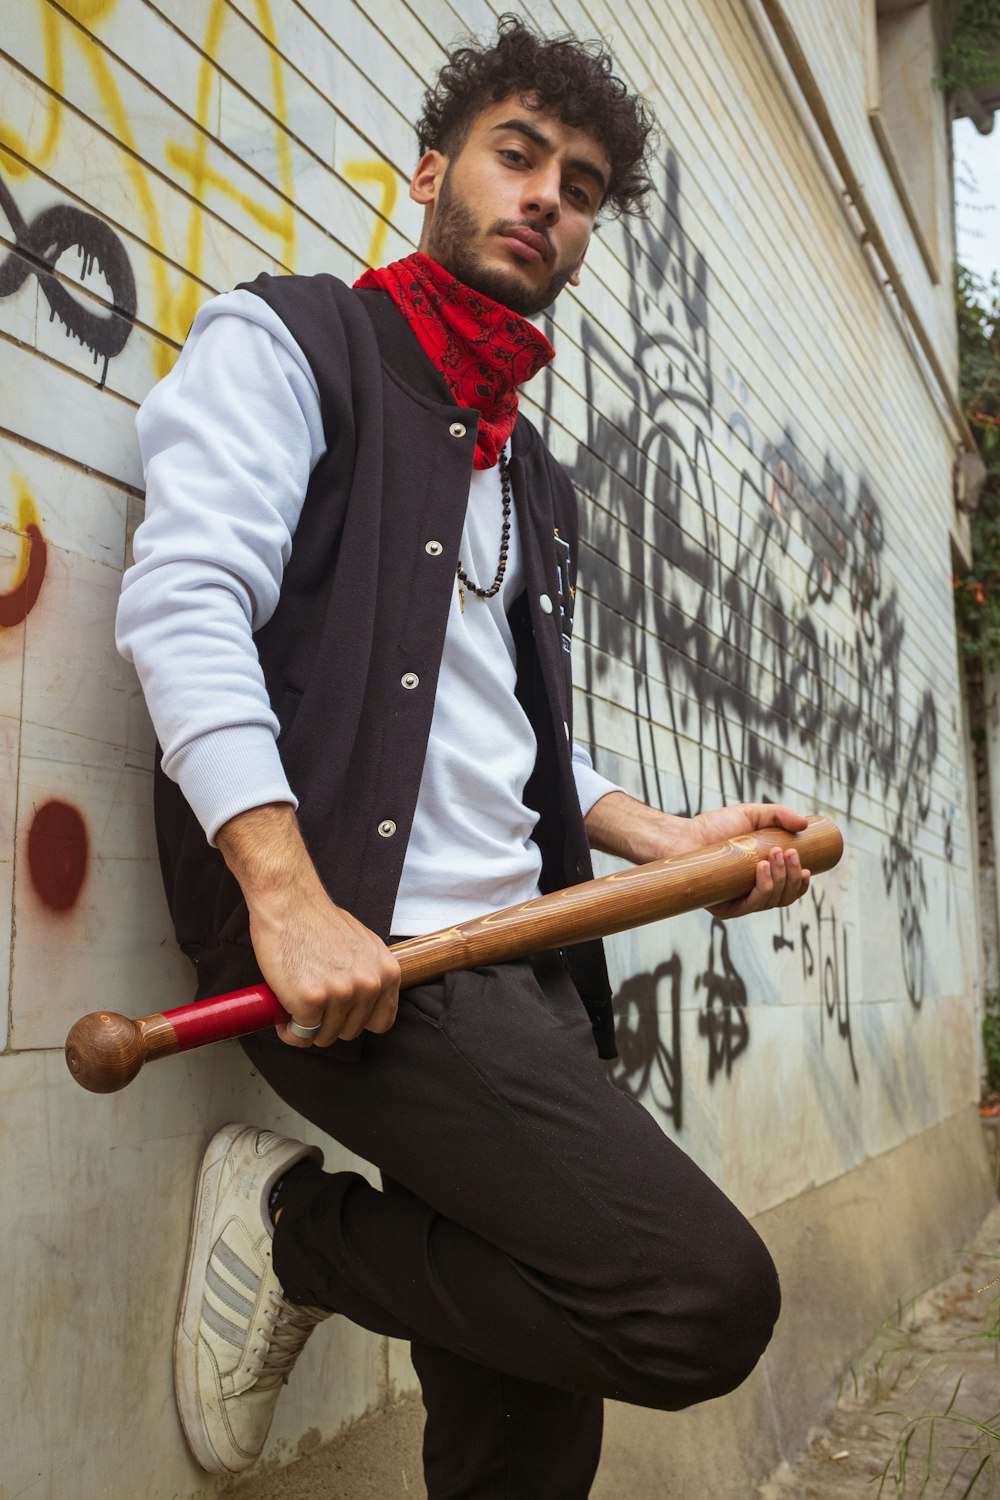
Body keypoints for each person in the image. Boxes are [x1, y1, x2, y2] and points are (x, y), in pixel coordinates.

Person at [117, 15, 810, 1497]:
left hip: (532, 975)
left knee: (522, 1444)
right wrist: (287, 897)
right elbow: (182, 607)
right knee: (696, 1301)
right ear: (433, 168)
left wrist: (661, 839)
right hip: (376, 970)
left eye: (581, 182)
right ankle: (298, 1240)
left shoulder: (527, 470)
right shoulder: (294, 342)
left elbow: (511, 734)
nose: (549, 193)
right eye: (518, 154)